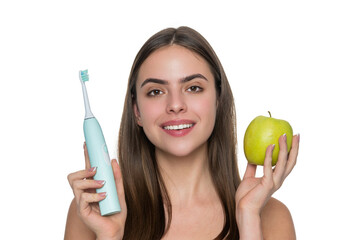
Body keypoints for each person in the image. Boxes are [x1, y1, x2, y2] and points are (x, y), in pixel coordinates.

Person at [65, 26, 300, 240]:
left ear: (218, 100)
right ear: (137, 111)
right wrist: (110, 235)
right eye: (156, 91)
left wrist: (248, 218)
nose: (175, 105)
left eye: (193, 88)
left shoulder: (271, 217)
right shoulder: (91, 213)